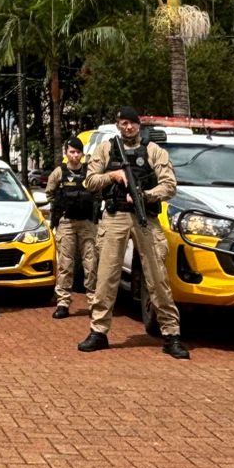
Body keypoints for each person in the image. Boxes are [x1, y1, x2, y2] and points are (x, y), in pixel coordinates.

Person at [79, 107, 190, 359]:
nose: (127, 127)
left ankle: (171, 334)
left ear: (139, 125)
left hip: (145, 217)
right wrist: (113, 175)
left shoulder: (153, 150)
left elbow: (169, 185)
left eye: (131, 123)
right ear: (118, 125)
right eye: (123, 123)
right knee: (106, 276)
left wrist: (145, 195)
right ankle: (98, 330)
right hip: (115, 216)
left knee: (157, 277)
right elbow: (90, 181)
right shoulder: (106, 149)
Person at [46, 137, 100, 321]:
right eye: (71, 152)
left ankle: (93, 302)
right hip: (67, 223)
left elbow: (97, 192)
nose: (75, 155)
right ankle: (63, 302)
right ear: (66, 153)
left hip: (87, 224)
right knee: (65, 264)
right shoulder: (59, 173)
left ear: (82, 154)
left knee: (91, 263)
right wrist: (59, 208)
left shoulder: (89, 173)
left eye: (77, 152)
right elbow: (50, 193)